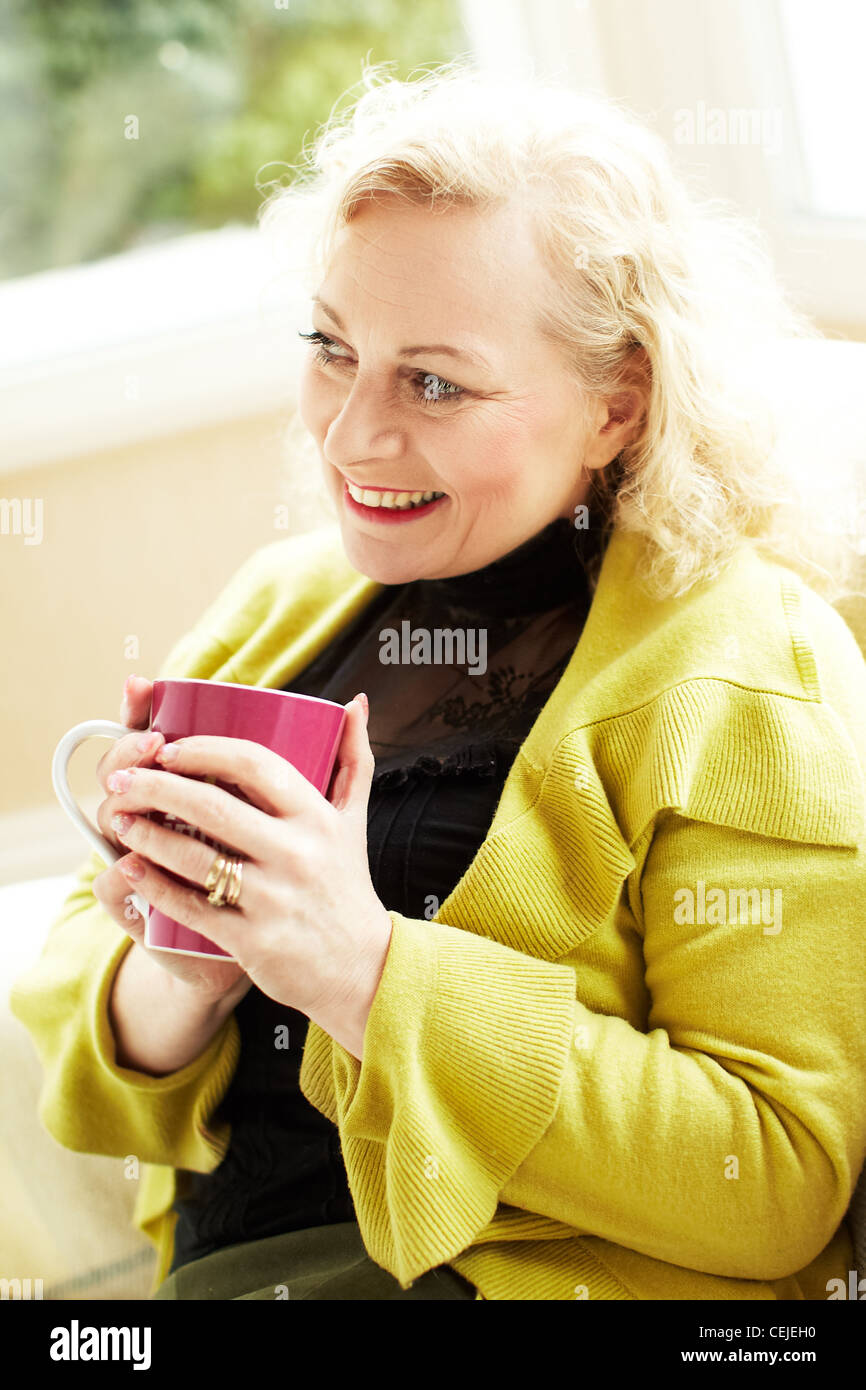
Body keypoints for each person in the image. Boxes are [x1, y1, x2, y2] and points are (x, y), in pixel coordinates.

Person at [11, 60, 866, 1301]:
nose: (350, 434)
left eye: (433, 381)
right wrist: (187, 969)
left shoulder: (743, 669)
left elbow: (773, 1176)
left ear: (615, 403)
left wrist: (360, 968)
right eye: (331, 349)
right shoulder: (280, 602)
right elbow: (88, 1036)